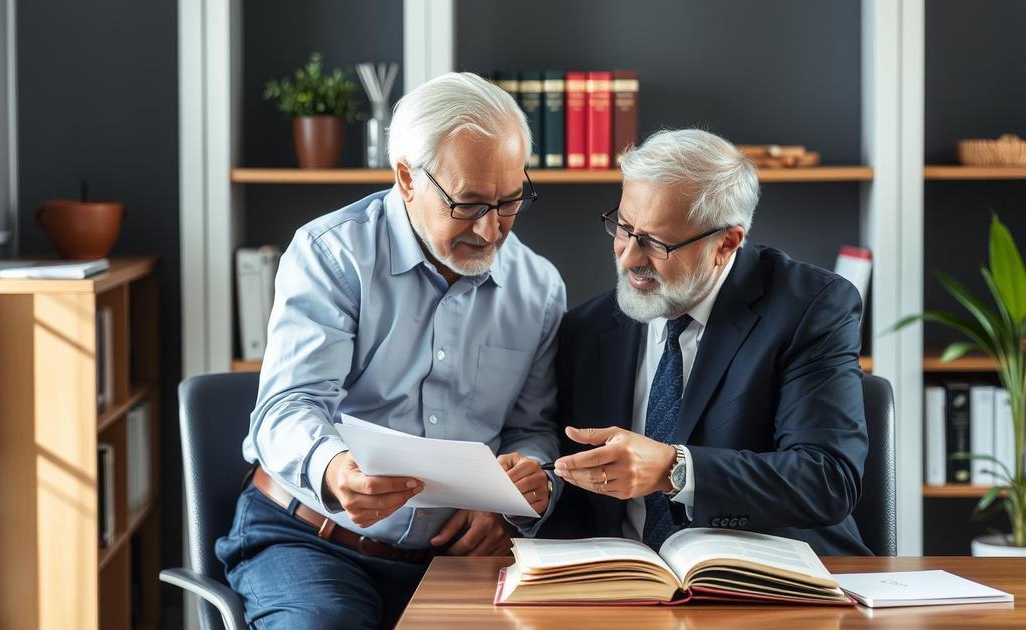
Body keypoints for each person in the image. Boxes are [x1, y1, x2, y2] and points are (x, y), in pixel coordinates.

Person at [215, 72, 566, 629]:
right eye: (469, 203)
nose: (492, 229)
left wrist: (520, 489)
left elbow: (533, 427)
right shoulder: (332, 254)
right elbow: (286, 409)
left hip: (451, 560)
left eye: (510, 201)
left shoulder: (539, 288)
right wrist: (334, 471)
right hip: (310, 538)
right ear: (407, 178)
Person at [541, 128, 871, 556]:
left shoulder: (810, 308)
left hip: (770, 580)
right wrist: (539, 488)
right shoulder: (587, 329)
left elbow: (828, 479)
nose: (628, 257)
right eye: (623, 228)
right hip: (626, 584)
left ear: (726, 243)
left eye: (656, 242)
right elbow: (580, 491)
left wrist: (676, 470)